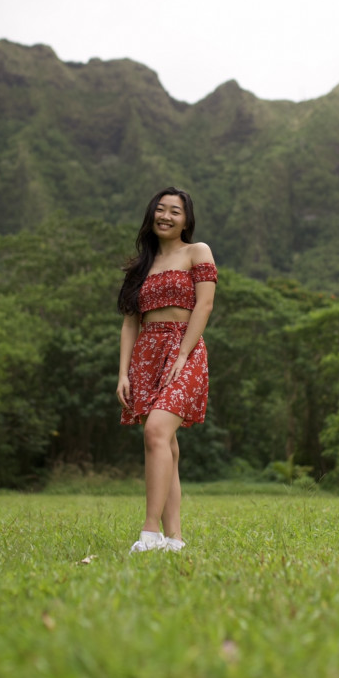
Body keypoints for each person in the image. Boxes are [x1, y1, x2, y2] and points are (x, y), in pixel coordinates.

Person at [116, 186, 217, 554]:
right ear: (151, 215)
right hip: (147, 352)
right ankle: (174, 539)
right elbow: (130, 323)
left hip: (185, 350)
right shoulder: (139, 267)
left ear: (186, 220)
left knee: (156, 431)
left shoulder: (197, 252)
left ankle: (148, 532)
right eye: (161, 209)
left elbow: (203, 307)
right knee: (167, 445)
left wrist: (181, 354)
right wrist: (124, 373)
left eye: (175, 211)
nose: (166, 216)